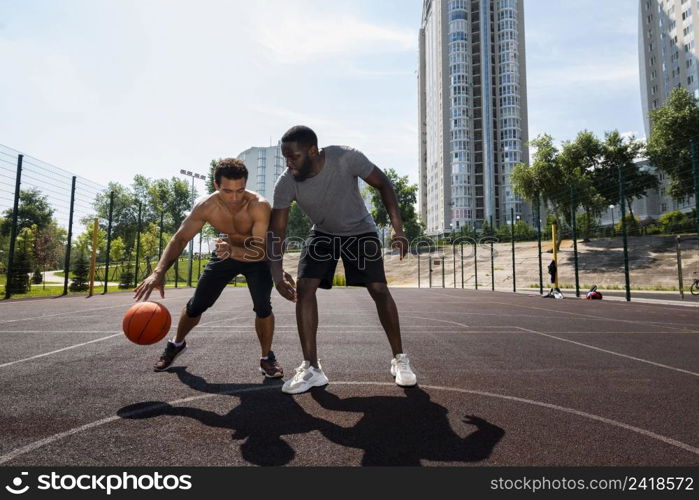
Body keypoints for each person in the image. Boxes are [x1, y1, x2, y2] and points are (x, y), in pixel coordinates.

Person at [266, 125, 417, 394]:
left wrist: (398, 229)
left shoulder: (346, 158)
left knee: (378, 289)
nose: (289, 164)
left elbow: (383, 183)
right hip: (323, 232)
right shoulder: (286, 182)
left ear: (313, 151)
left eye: (294, 157)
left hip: (360, 229)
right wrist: (276, 275)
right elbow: (276, 231)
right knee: (305, 287)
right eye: (285, 158)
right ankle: (312, 368)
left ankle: (400, 360)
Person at [133, 158, 283, 378]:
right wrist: (159, 271)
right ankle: (177, 343)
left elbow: (260, 250)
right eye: (227, 191)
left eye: (240, 190)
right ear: (216, 185)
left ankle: (266, 357)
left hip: (255, 258)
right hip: (226, 254)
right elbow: (180, 238)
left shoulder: (259, 205)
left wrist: (233, 252)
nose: (234, 198)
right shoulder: (206, 206)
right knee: (197, 305)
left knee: (263, 306)